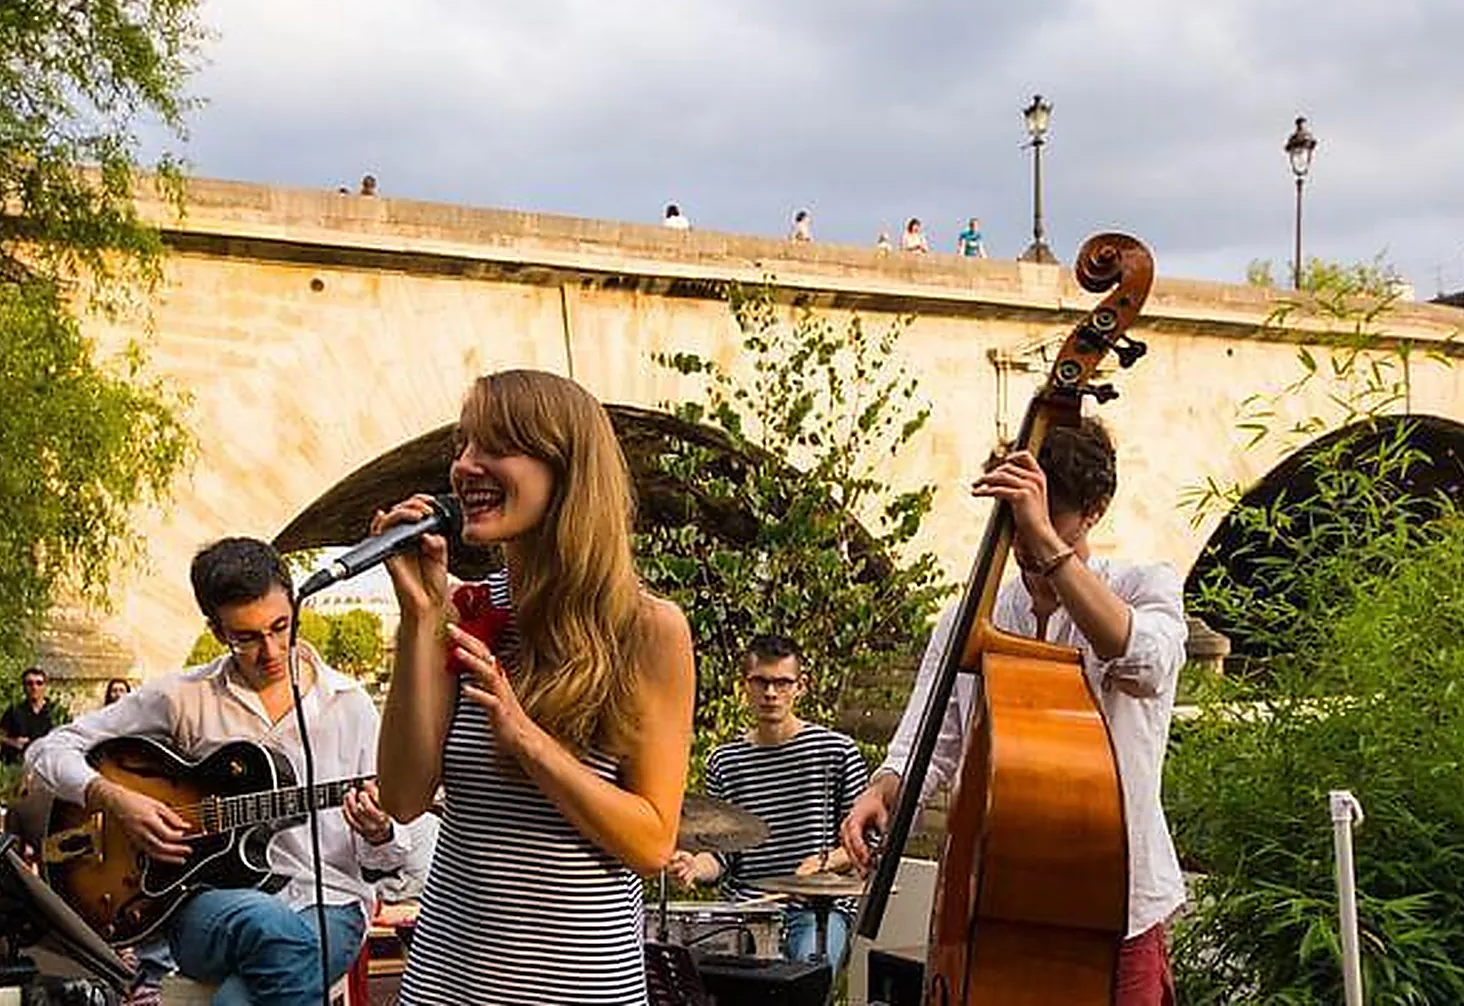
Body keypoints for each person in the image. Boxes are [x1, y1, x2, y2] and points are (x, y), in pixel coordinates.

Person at [375, 368, 696, 1005]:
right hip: (443, 985)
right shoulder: (462, 612)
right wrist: (420, 619)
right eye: (463, 445)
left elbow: (654, 842)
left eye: (496, 446)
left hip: (576, 991)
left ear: (566, 470)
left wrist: (528, 740)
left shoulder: (648, 631)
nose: (465, 466)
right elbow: (403, 798)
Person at [840, 418, 1186, 1006]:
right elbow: (931, 744)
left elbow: (1144, 660)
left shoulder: (1141, 587)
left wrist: (1050, 548)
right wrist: (886, 788)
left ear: (1095, 510)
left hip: (1113, 913)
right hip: (988, 908)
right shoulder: (971, 617)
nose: (1023, 536)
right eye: (1015, 516)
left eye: (1049, 516)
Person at [27, 537, 439, 1006]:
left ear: (294, 606)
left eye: (281, 627)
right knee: (267, 923)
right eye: (246, 638)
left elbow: (383, 864)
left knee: (249, 986)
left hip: (331, 904)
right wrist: (116, 800)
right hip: (211, 908)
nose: (271, 651)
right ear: (217, 631)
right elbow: (47, 751)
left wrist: (380, 831)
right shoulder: (183, 697)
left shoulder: (350, 705)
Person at [667, 635, 867, 970]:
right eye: (760, 682)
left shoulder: (836, 752)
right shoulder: (725, 761)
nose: (771, 693)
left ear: (801, 686)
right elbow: (720, 855)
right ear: (745, 686)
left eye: (782, 683)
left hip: (816, 910)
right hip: (746, 913)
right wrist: (692, 867)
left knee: (805, 976)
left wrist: (822, 864)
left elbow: (862, 845)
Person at [0, 667, 61, 766]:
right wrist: (13, 742)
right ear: (24, 687)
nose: (34, 687)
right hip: (18, 765)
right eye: (30, 683)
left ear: (45, 686)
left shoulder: (56, 712)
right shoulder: (14, 710)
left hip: (47, 765)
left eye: (39, 683)